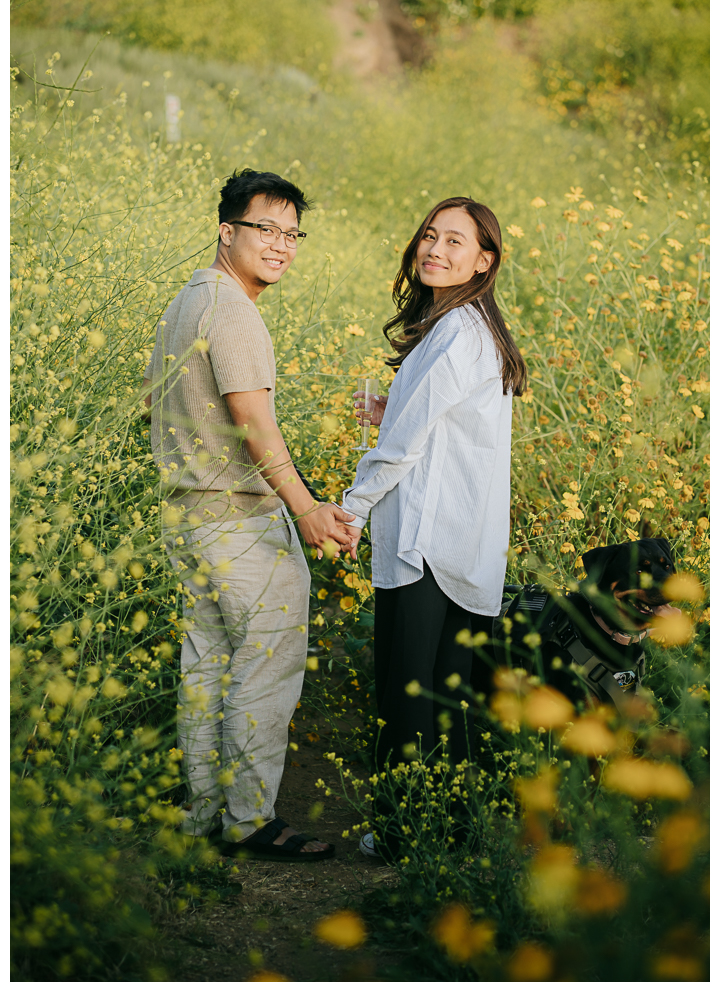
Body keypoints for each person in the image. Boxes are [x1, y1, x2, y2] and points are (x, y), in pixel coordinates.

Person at [141, 168, 355, 861]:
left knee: (207, 664)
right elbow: (254, 424)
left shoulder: (185, 302)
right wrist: (307, 509)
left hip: (188, 517)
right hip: (240, 523)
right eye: (266, 229)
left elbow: (158, 410)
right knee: (263, 668)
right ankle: (250, 819)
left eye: (293, 233)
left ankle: (205, 813)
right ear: (226, 230)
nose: (282, 244)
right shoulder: (233, 312)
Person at [340, 197, 528, 859]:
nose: (434, 250)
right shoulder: (470, 326)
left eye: (454, 242)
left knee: (406, 690)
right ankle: (452, 829)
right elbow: (449, 422)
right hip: (465, 546)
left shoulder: (453, 332)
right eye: (429, 235)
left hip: (425, 543)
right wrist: (394, 405)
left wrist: (350, 510)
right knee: (449, 696)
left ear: (485, 260)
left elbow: (408, 445)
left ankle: (397, 833)